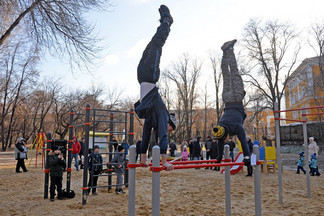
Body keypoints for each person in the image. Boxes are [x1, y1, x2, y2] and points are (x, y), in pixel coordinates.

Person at [134, 5, 176, 171]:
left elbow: (145, 135)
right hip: (150, 76)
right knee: (156, 44)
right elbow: (163, 136)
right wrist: (164, 161)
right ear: (170, 122)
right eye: (170, 127)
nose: (167, 129)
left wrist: (143, 159)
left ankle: (165, 22)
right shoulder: (163, 113)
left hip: (142, 77)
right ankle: (166, 22)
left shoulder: (154, 117)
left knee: (151, 46)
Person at [212, 39, 250, 167]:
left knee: (234, 72)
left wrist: (246, 156)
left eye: (226, 138)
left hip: (237, 98)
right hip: (226, 100)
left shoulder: (235, 127)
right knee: (225, 75)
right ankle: (224, 53)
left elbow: (243, 141)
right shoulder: (220, 126)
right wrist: (218, 157)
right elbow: (220, 143)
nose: (227, 140)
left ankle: (230, 50)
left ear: (226, 134)